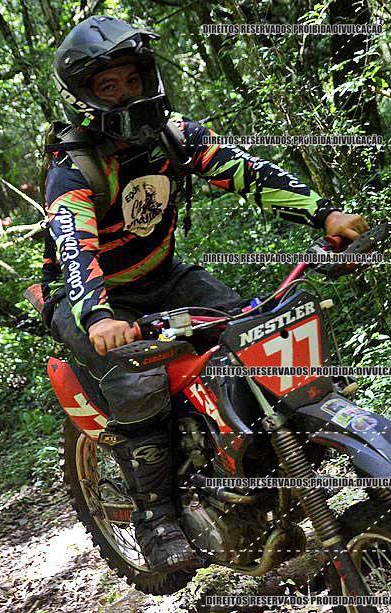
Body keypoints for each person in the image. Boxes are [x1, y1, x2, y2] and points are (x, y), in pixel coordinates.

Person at [40, 15, 369, 572]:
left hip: (163, 275)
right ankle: (155, 517)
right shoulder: (73, 167)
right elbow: (75, 246)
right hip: (88, 299)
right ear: (85, 96)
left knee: (253, 332)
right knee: (138, 379)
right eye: (108, 85)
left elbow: (247, 171)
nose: (126, 93)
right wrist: (97, 317)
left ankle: (259, 457)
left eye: (132, 78)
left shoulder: (175, 136)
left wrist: (325, 215)